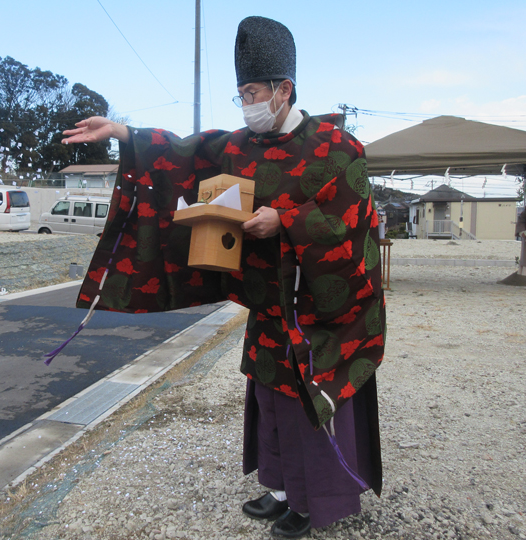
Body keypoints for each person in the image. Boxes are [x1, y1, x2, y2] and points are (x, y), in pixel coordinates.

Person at [60, 16, 385, 538]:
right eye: (240, 95)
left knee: (306, 401)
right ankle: (279, 488)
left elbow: (351, 224)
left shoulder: (335, 147)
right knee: (267, 396)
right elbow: (181, 154)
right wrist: (122, 131)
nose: (247, 104)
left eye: (252, 92)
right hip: (267, 304)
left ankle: (311, 500)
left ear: (284, 90)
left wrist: (287, 220)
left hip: (318, 312)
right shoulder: (238, 145)